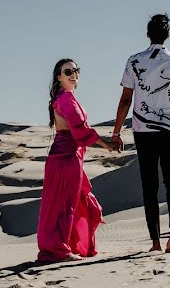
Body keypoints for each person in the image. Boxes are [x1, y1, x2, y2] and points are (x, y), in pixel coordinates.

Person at [110, 13, 170, 253]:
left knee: (149, 183)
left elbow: (126, 99)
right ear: (168, 35)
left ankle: (156, 242)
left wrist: (116, 132)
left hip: (142, 129)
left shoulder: (134, 61)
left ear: (148, 34)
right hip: (169, 128)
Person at [37, 58, 115, 263]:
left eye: (76, 70)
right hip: (65, 157)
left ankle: (63, 247)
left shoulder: (65, 98)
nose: (73, 74)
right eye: (68, 71)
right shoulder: (65, 99)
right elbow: (79, 129)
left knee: (68, 203)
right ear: (59, 77)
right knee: (65, 204)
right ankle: (59, 250)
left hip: (67, 156)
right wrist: (105, 144)